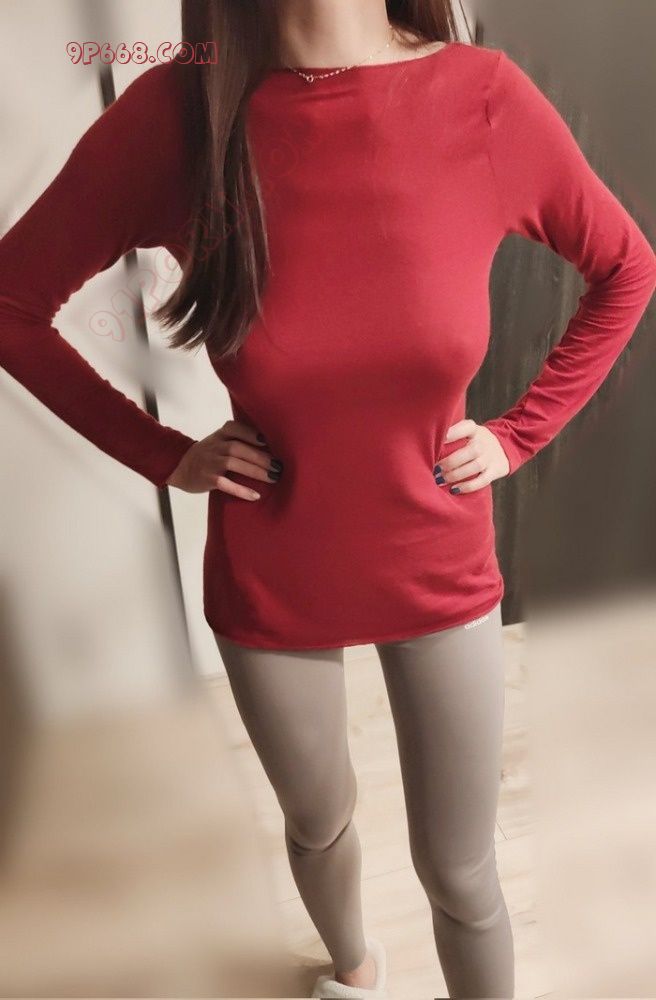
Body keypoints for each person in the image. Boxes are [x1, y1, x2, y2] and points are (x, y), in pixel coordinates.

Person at [1, 1, 655, 997]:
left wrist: (518, 433)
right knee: (317, 821)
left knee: (462, 872)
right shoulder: (178, 116)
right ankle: (353, 973)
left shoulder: (479, 98)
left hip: (436, 552)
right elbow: (12, 302)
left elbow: (625, 266)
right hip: (274, 564)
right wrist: (161, 454)